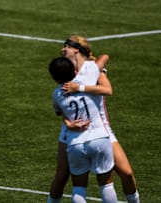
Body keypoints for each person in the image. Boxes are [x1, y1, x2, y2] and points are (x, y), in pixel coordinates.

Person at [47, 36, 140, 203]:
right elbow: (63, 110)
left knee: (125, 173)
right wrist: (68, 123)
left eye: (66, 46)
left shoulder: (93, 69)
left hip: (100, 128)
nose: (62, 50)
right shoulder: (66, 69)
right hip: (72, 131)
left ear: (76, 49)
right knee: (61, 177)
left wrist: (80, 87)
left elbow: (107, 88)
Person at [49, 56, 118, 203]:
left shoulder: (56, 95)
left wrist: (69, 124)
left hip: (76, 143)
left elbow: (59, 113)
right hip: (100, 138)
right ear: (75, 71)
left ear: (54, 79)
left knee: (79, 188)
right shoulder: (87, 82)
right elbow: (104, 58)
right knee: (106, 184)